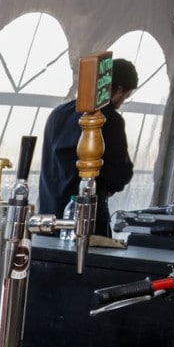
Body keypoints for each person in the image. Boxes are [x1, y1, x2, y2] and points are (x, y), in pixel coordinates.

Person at [37, 57, 138, 235]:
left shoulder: (58, 114)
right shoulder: (107, 119)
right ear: (119, 89)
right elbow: (119, 172)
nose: (123, 101)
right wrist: (112, 185)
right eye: (126, 95)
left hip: (48, 218)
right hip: (86, 221)